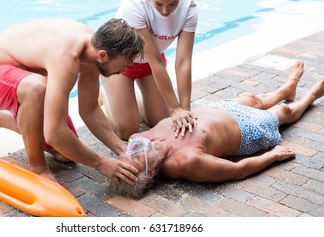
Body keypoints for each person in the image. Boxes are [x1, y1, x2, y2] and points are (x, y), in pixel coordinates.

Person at [0, 17, 144, 185]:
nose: (124, 71)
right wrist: (100, 163)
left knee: (66, 152)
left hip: (22, 76)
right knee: (36, 88)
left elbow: (89, 109)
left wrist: (121, 148)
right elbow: (54, 134)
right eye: (124, 66)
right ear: (103, 55)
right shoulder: (66, 55)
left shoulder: (96, 50)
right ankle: (38, 168)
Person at [110, 61, 324, 197]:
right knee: (284, 112)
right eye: (134, 158)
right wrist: (273, 156)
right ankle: (311, 96)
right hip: (245, 131)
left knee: (253, 98)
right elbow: (238, 171)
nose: (131, 149)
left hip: (219, 110)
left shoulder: (140, 137)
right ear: (150, 171)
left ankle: (285, 89)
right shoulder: (186, 162)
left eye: (126, 153)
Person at [101, 0, 198, 140]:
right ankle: (106, 95)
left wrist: (184, 110)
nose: (165, 11)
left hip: (151, 65)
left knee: (162, 121)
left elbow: (183, 61)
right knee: (126, 130)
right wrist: (174, 107)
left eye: (172, 4)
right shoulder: (135, 4)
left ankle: (129, 100)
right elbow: (154, 59)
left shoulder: (189, 7)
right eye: (159, 4)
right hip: (121, 64)